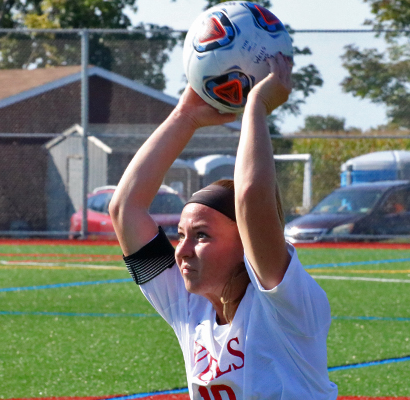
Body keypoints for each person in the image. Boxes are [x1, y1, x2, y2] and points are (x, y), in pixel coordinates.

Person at [109, 53, 338, 399]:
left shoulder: (283, 302)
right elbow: (125, 209)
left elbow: (252, 197)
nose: (182, 251)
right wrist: (184, 117)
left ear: (246, 243)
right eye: (181, 235)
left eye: (202, 236)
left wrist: (256, 106)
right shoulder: (189, 306)